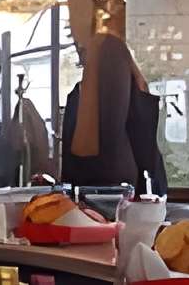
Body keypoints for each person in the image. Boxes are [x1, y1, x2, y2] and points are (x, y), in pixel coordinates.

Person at [58, 31, 168, 195]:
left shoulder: (86, 101)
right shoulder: (81, 98)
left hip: (107, 187)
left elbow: (83, 152)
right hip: (123, 184)